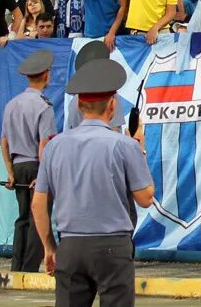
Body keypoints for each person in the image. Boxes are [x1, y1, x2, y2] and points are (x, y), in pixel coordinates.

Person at [33, 59, 154, 306]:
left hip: (70, 245)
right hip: (112, 247)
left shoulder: (54, 146)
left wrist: (49, 247)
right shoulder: (125, 145)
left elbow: (38, 203)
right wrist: (140, 149)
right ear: (112, 105)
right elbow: (145, 198)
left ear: (79, 105)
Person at [1, 50, 57, 273]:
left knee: (22, 217)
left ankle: (17, 266)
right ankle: (30, 267)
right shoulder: (44, 106)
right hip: (36, 165)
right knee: (38, 218)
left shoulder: (11, 104)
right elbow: (44, 144)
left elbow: (4, 141)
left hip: (18, 165)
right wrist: (43, 174)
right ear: (46, 75)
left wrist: (10, 171)